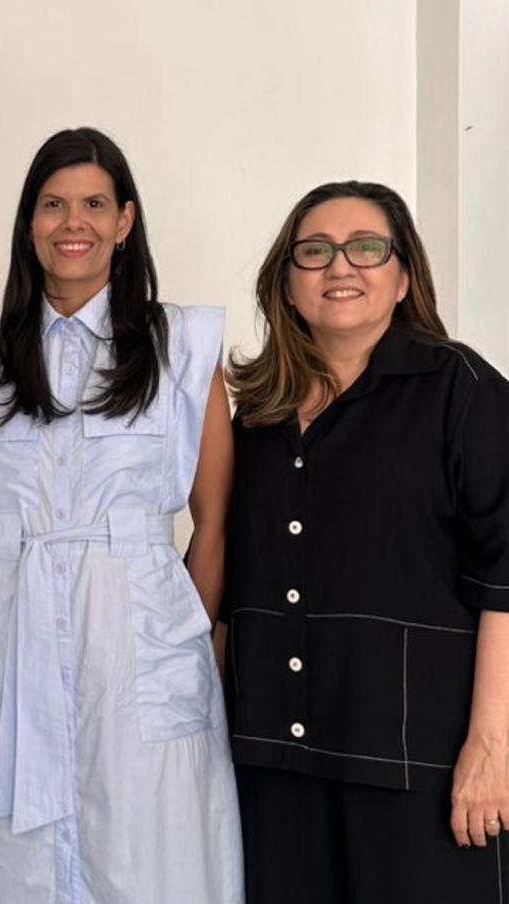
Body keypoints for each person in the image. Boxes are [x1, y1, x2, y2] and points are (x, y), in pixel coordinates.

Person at [0, 127, 244, 903]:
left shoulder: (183, 344)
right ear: (28, 223)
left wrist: (196, 643)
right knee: (12, 855)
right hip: (6, 635)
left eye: (92, 204)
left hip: (142, 639)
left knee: (150, 851)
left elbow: (214, 520)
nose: (71, 222)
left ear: (125, 220)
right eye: (52, 204)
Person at [223, 180, 509, 902]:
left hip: (421, 767)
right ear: (286, 286)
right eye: (314, 252)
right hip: (273, 767)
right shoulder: (254, 419)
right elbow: (229, 588)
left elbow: (506, 577)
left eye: (366, 249)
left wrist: (493, 747)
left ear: (404, 274)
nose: (340, 267)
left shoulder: (463, 390)